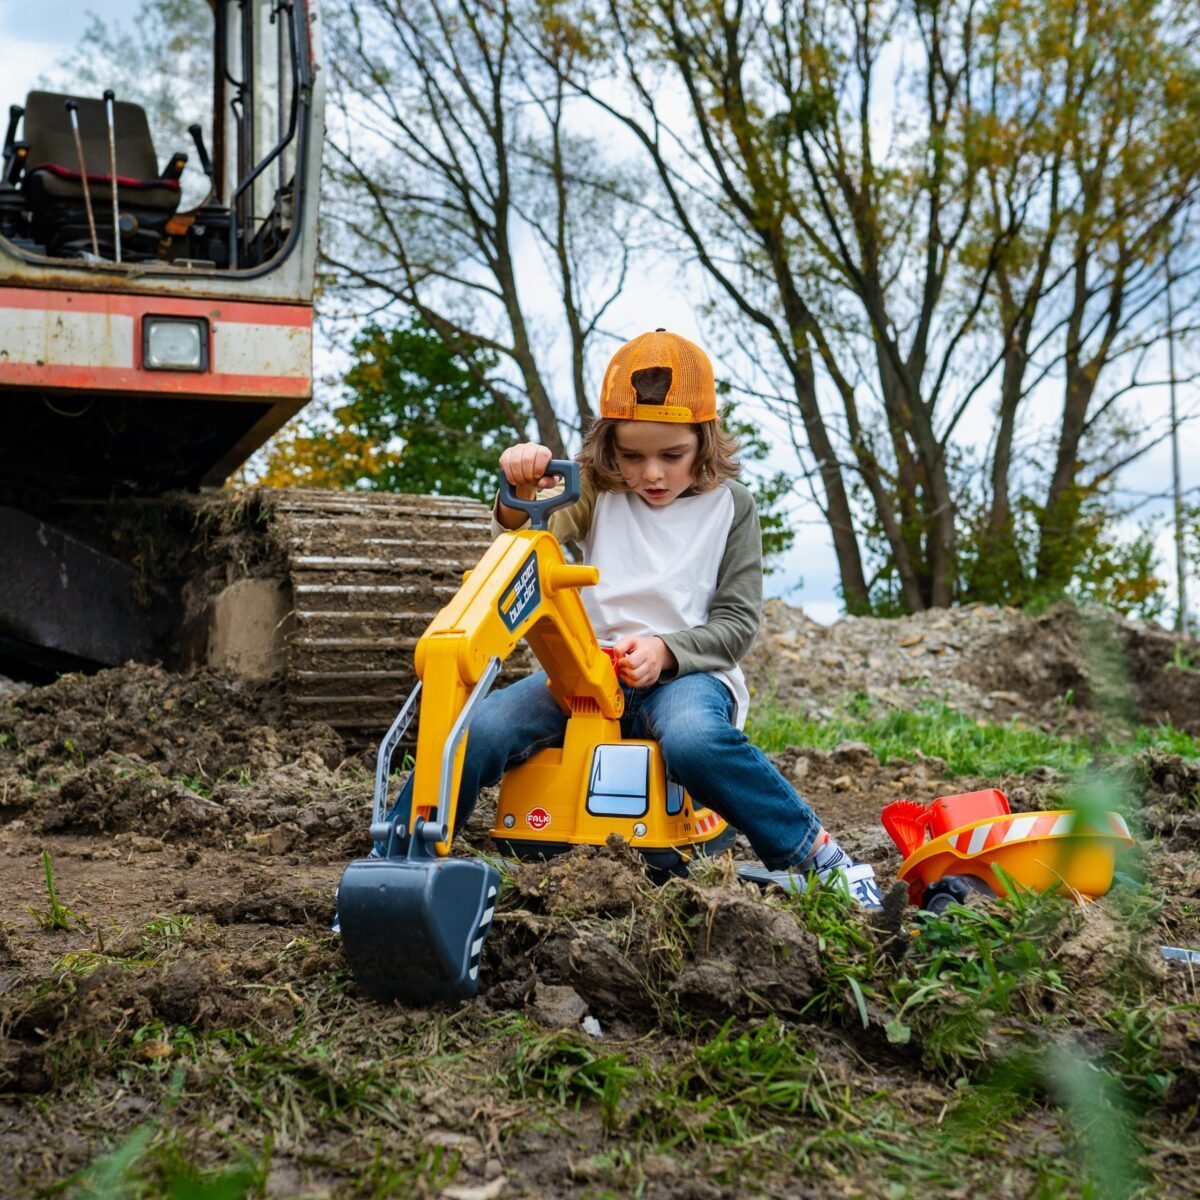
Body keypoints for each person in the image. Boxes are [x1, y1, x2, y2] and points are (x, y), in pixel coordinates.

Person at [385, 329, 882, 909]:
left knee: (696, 741)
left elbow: (738, 622)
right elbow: (526, 547)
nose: (651, 473)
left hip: (688, 677)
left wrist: (668, 651)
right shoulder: (594, 489)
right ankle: (397, 862)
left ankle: (817, 855)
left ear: (704, 441)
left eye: (671, 455)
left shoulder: (733, 506)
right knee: (478, 731)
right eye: (632, 455)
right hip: (585, 670)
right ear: (608, 446)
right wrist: (518, 492)